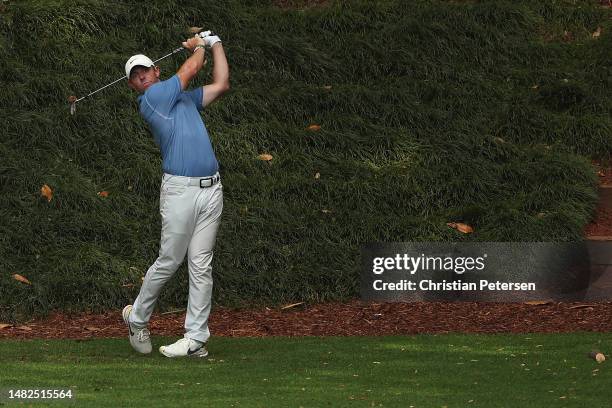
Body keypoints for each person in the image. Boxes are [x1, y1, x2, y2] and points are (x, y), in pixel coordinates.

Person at [121, 32, 229, 358]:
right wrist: (198, 46)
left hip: (212, 189)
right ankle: (137, 319)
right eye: (135, 77)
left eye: (144, 71)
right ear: (135, 86)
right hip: (180, 191)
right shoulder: (153, 99)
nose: (142, 78)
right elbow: (191, 69)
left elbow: (221, 83)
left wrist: (216, 42)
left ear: (155, 70)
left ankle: (195, 338)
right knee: (169, 260)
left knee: (201, 265)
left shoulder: (183, 99)